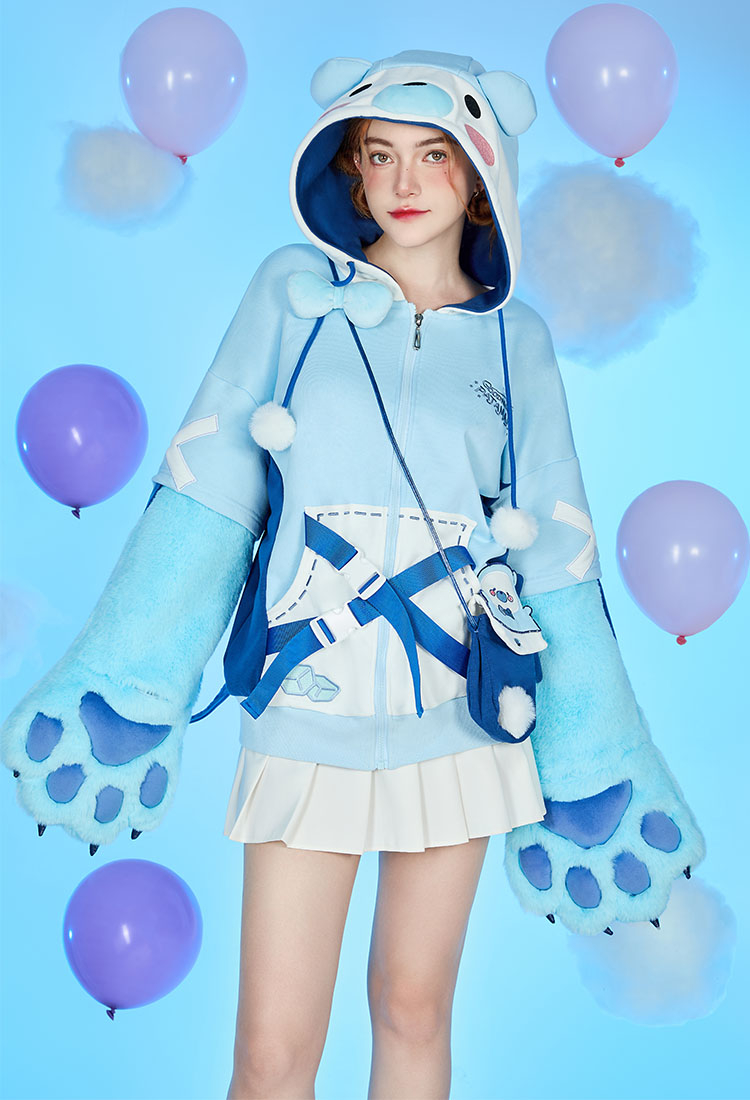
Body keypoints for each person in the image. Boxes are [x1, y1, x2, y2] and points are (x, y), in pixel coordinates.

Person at [2, 50, 705, 1100]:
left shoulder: (517, 344)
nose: (405, 182)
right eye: (380, 156)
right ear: (351, 169)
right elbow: (211, 485)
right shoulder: (292, 297)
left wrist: (594, 759)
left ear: (480, 174)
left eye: (434, 156)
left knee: (413, 1010)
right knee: (272, 1053)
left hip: (459, 722)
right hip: (307, 708)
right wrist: (132, 679)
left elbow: (558, 552)